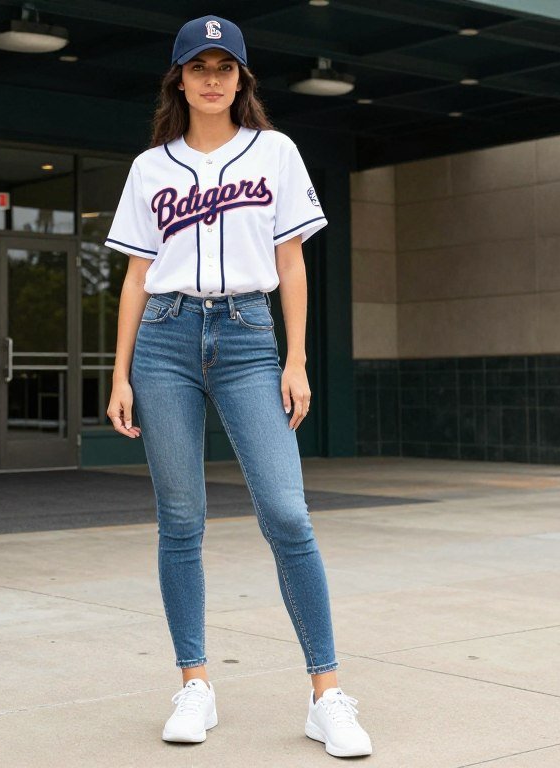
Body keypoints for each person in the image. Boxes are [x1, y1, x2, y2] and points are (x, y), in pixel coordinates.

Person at [103, 14, 372, 759]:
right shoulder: (151, 168)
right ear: (180, 79)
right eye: (200, 67)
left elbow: (291, 262)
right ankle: (194, 683)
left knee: (288, 513)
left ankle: (327, 696)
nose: (213, 78)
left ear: (241, 79)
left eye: (225, 67)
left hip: (251, 338)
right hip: (164, 336)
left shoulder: (276, 152)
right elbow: (133, 275)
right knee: (180, 517)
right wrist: (120, 371)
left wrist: (297, 359)